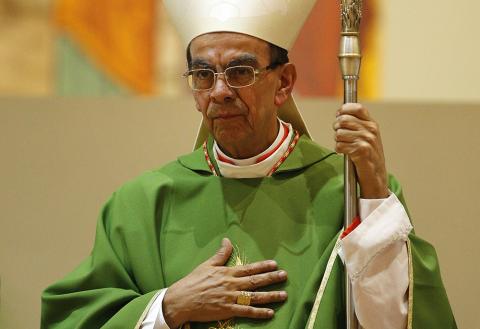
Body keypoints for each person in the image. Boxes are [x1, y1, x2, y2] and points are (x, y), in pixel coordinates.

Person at [41, 1, 456, 328]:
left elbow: (396, 322)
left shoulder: (351, 190)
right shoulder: (142, 204)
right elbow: (74, 320)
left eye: (239, 71)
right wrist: (170, 306)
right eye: (203, 74)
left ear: (285, 82)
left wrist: (375, 188)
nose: (220, 91)